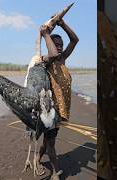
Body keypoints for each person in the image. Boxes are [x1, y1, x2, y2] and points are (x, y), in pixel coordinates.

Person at [36, 19, 79, 180]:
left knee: (48, 141)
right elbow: (53, 53)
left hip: (61, 110)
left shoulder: (62, 59)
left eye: (61, 44)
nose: (60, 47)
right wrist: (45, 33)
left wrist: (62, 24)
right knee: (51, 142)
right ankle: (55, 172)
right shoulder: (47, 60)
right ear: (49, 45)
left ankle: (37, 159)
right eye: (56, 44)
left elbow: (75, 40)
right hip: (50, 110)